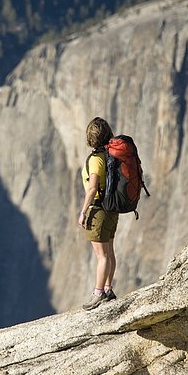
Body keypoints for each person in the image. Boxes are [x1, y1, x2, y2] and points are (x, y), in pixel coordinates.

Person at [78, 117, 119, 310]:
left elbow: (92, 188)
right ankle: (109, 288)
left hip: (99, 210)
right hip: (112, 209)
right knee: (110, 252)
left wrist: (83, 211)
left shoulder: (96, 160)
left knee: (102, 256)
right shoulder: (111, 156)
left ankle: (99, 293)